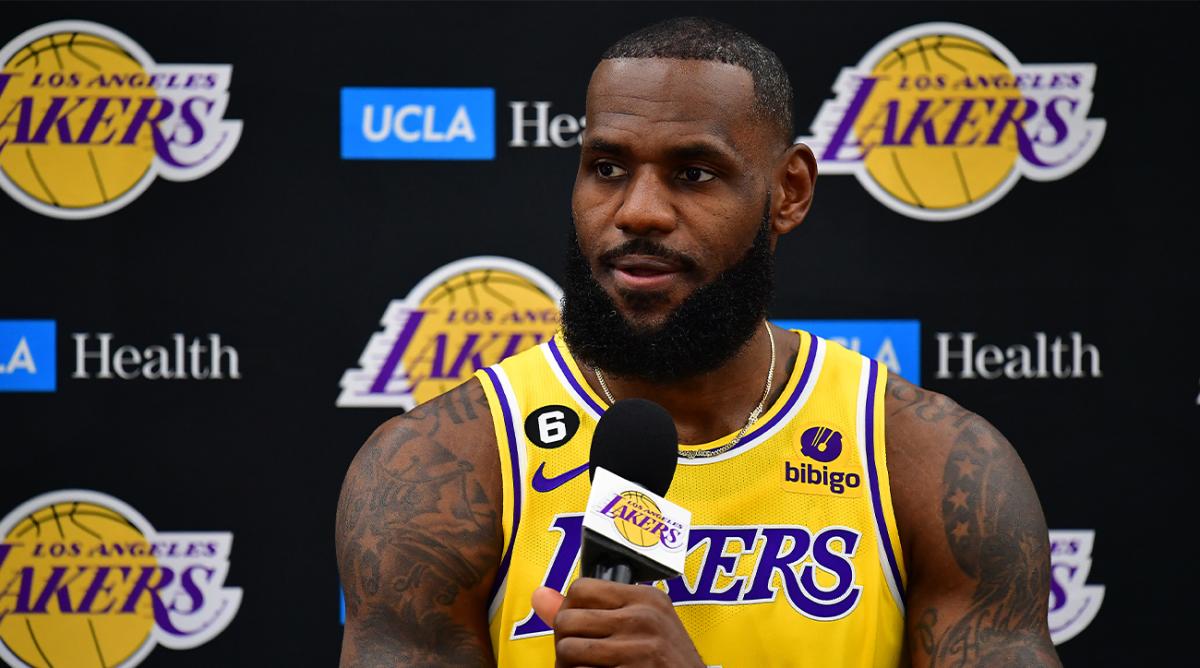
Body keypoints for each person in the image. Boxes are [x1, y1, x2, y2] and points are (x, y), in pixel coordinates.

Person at [335, 17, 1061, 667]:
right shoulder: (445, 467)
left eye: (693, 174)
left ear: (790, 191)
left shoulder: (925, 461)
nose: (639, 211)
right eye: (608, 168)